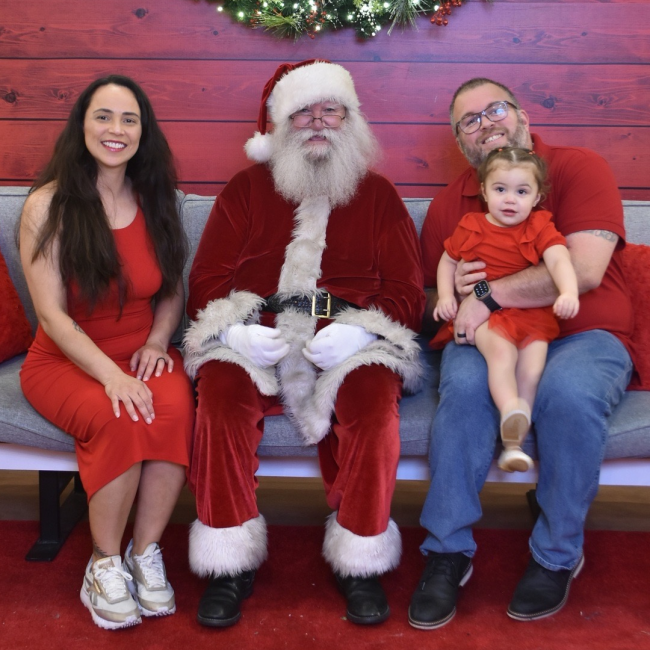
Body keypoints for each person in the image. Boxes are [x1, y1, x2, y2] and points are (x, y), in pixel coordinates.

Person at [183, 59, 425, 628]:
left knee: (371, 407)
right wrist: (236, 327)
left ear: (350, 118)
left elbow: (406, 292)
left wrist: (362, 329)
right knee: (219, 395)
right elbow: (207, 281)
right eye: (303, 112)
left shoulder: (379, 196)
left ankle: (359, 561)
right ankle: (228, 561)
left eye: (330, 110)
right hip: (259, 335)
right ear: (280, 125)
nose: (318, 122)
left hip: (351, 340)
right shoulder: (243, 192)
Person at [409, 78, 634, 629]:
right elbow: (424, 298)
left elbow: (582, 271)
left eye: (495, 110)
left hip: (584, 331)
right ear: (463, 144)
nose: (486, 123)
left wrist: (483, 292)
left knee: (571, 394)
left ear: (522, 116)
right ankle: (447, 551)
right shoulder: (449, 206)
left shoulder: (580, 167)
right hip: (490, 335)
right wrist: (448, 293)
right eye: (470, 120)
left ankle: (555, 554)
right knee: (463, 392)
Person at [19, 75, 195, 631]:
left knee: (174, 405)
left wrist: (155, 342)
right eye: (103, 116)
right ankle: (103, 562)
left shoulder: (156, 198)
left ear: (143, 133)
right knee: (120, 413)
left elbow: (172, 290)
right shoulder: (48, 206)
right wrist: (111, 378)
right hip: (66, 358)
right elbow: (52, 316)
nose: (115, 130)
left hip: (140, 348)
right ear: (82, 124)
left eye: (128, 120)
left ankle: (144, 553)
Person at [432, 147, 579, 473]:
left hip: (533, 315)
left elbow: (559, 259)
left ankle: (513, 445)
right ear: (484, 191)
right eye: (501, 189)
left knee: (532, 370)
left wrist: (568, 290)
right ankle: (510, 405)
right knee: (502, 356)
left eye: (522, 191)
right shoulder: (471, 225)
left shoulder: (540, 226)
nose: (510, 199)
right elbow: (448, 260)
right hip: (488, 315)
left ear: (537, 196)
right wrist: (445, 297)